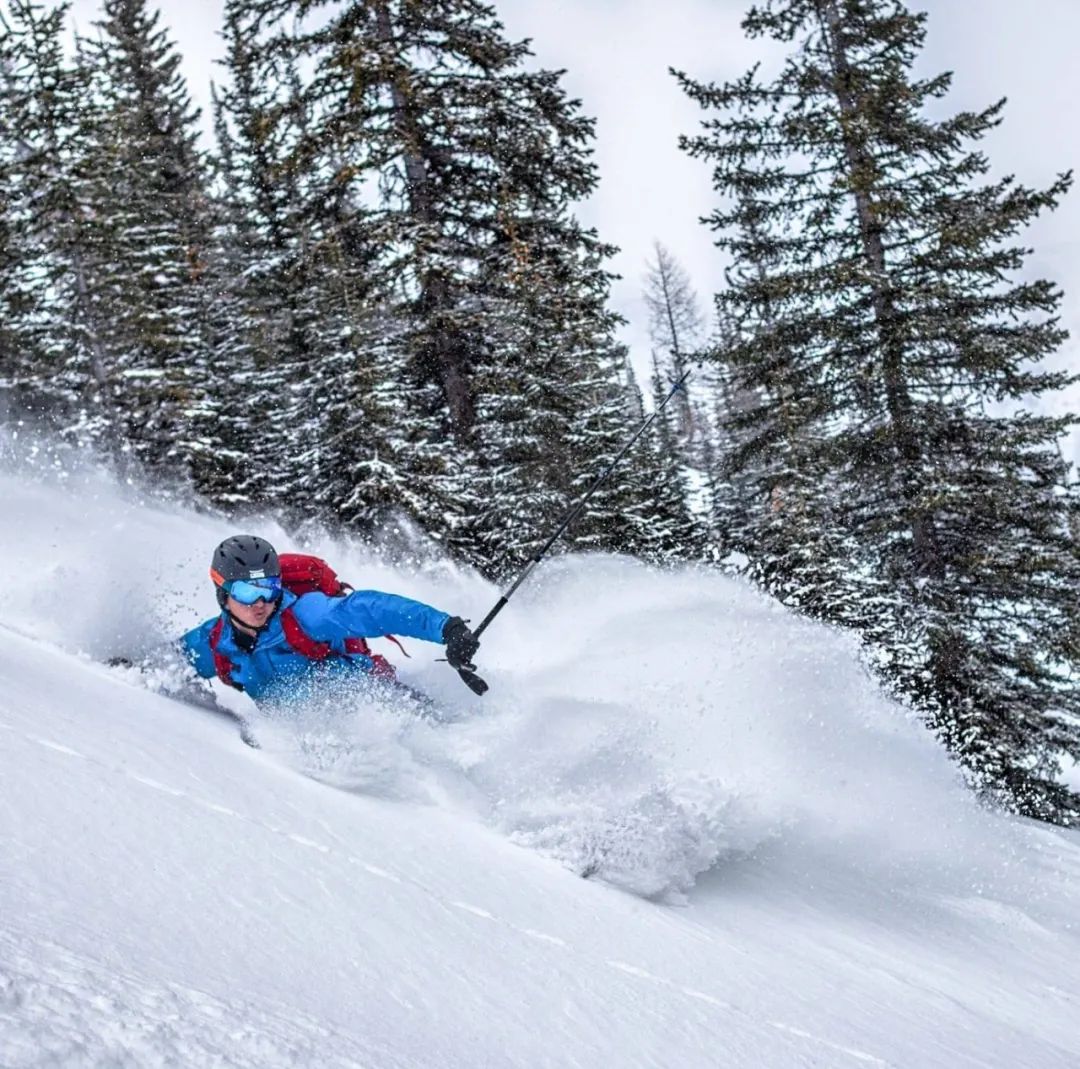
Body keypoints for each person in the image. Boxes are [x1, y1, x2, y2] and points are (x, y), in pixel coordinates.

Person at [179, 534, 480, 709]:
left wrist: (446, 629)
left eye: (269, 588)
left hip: (382, 703)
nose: (260, 602)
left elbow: (370, 609)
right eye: (246, 592)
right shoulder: (216, 641)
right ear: (223, 592)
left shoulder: (306, 615)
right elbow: (168, 665)